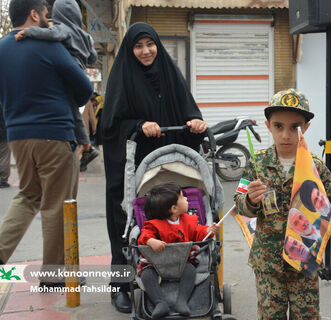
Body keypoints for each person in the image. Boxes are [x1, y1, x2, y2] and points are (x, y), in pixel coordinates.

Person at [0, 0, 93, 287]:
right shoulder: (50, 46)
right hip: (55, 135)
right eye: (45, 13)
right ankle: (55, 275)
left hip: (18, 137)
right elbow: (84, 91)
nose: (48, 18)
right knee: (58, 204)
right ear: (34, 14)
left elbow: (3, 96)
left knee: (28, 195)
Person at [101, 22, 207, 313]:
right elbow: (109, 126)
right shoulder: (121, 77)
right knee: (126, 225)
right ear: (130, 49)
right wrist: (138, 125)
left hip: (168, 167)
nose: (146, 51)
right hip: (133, 166)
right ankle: (120, 284)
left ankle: (177, 279)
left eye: (150, 44)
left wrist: (195, 124)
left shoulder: (171, 74)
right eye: (138, 46)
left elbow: (187, 111)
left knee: (172, 223)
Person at [233, 89, 331, 320]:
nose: (286, 135)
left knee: (306, 316)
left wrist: (315, 209)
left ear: (306, 127)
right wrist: (250, 200)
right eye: (279, 126)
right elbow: (238, 203)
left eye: (295, 127)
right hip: (268, 263)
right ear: (268, 125)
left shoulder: (316, 168)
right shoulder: (256, 164)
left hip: (304, 261)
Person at [15, 0, 98, 167]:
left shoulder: (63, 29)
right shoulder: (86, 35)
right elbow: (93, 58)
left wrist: (28, 32)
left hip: (66, 72)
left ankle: (86, 145)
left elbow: (50, 34)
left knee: (71, 110)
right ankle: (87, 146)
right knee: (74, 108)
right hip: (79, 72)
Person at [137, 182, 219, 319]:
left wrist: (208, 230)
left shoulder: (189, 221)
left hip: (182, 261)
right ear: (174, 208)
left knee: (190, 271)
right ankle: (160, 302)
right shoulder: (154, 224)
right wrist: (151, 241)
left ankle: (182, 301)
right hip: (157, 263)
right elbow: (144, 236)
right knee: (146, 275)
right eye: (182, 197)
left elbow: (198, 233)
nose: (187, 199)